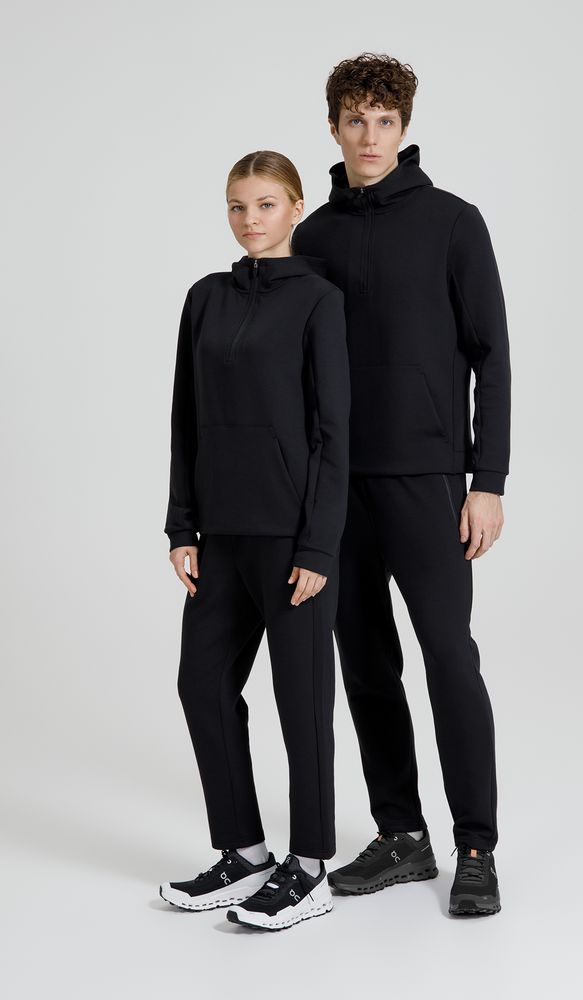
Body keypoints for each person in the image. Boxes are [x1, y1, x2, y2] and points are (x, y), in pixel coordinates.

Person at [292, 52, 511, 916]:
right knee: (366, 665)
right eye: (355, 120)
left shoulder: (454, 223)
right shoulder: (312, 237)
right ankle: (401, 835)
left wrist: (485, 479)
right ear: (334, 127)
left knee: (449, 657)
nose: (369, 136)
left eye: (383, 121)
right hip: (337, 487)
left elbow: (491, 356)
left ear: (404, 127)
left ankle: (475, 847)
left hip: (427, 480)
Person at [159, 150, 351, 931]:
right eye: (237, 206)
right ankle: (244, 853)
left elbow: (333, 432)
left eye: (265, 204)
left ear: (295, 208)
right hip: (221, 535)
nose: (249, 219)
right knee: (202, 685)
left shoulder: (318, 301)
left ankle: (310, 869)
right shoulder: (204, 298)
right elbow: (185, 417)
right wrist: (182, 524)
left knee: (300, 702)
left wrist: (319, 546)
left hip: (290, 538)